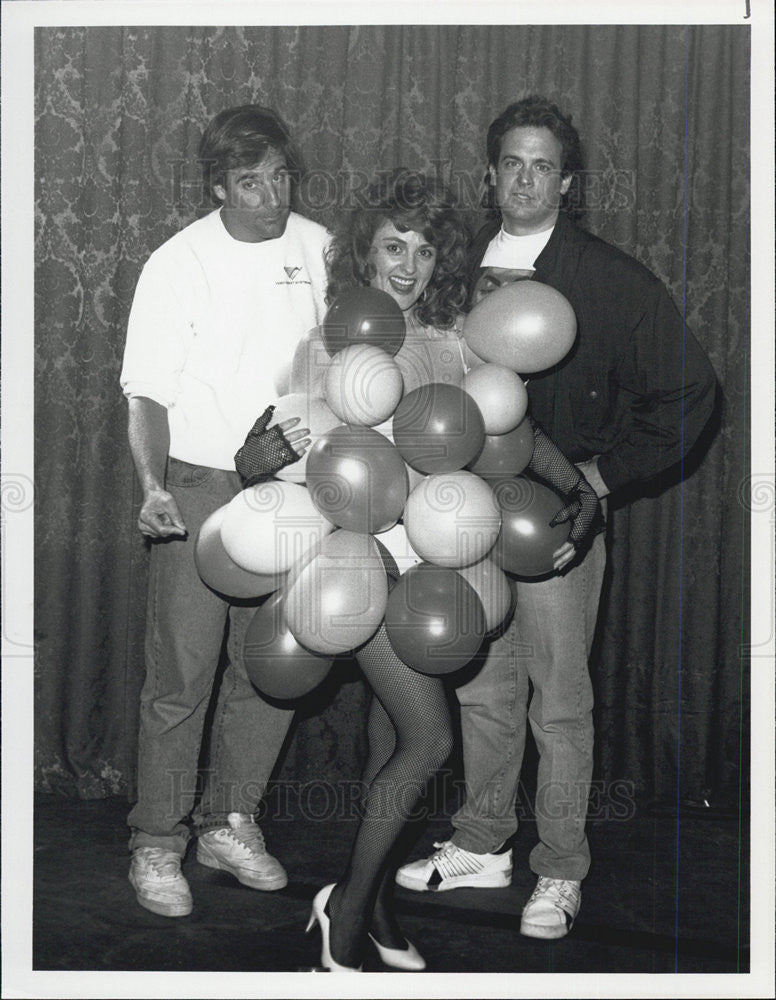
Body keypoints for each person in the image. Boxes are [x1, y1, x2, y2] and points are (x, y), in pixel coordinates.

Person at [396, 96, 717, 941]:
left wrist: (601, 478)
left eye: (543, 164)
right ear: (491, 172)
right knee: (483, 688)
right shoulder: (456, 264)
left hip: (553, 519)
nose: (525, 178)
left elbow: (694, 394)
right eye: (511, 161)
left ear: (566, 182)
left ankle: (561, 868)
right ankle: (483, 840)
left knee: (559, 702)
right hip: (465, 511)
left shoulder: (608, 278)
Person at [290, 168, 601, 971]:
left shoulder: (453, 336)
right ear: (363, 250)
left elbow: (506, 428)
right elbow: (287, 444)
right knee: (429, 741)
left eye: (426, 250)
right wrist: (259, 456)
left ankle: (378, 906)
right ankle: (347, 915)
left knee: (389, 732)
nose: (409, 264)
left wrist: (576, 484)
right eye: (394, 245)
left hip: (433, 565)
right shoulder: (330, 340)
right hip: (357, 564)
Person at [119, 105, 329, 918]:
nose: (271, 195)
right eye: (251, 181)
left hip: (296, 491)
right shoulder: (177, 262)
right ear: (218, 186)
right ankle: (157, 840)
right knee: (182, 677)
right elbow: (147, 391)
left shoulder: (320, 247)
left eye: (280, 176)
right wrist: (153, 487)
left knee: (267, 670)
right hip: (203, 485)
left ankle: (229, 822)